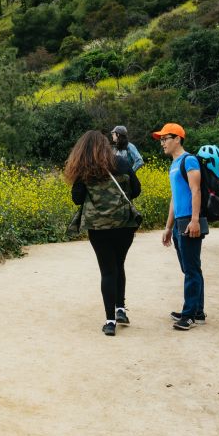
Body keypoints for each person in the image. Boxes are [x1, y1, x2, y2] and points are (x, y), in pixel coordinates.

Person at [65, 130, 142, 337]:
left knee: (108, 270)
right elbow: (136, 191)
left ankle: (110, 322)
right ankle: (121, 309)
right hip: (124, 225)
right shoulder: (122, 163)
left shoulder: (84, 170)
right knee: (119, 265)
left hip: (98, 228)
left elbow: (77, 199)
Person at [153, 122, 207, 331]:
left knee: (191, 269)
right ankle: (197, 311)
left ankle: (189, 315)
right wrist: (168, 227)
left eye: (165, 139)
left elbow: (196, 191)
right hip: (178, 223)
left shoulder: (189, 160)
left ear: (177, 139)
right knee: (189, 268)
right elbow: (174, 199)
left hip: (189, 221)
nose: (162, 143)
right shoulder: (174, 165)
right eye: (161, 139)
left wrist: (194, 220)